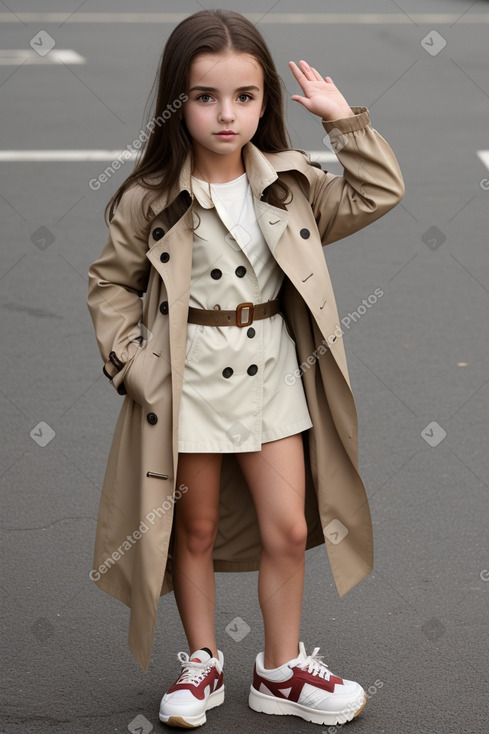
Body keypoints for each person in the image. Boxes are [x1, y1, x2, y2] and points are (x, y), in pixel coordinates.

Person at [87, 8, 404, 730]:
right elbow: (109, 284)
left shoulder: (293, 184)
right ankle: (201, 659)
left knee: (287, 529)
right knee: (191, 531)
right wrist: (132, 367)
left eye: (244, 96)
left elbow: (377, 193)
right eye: (204, 97)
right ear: (178, 100)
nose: (225, 115)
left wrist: (342, 122)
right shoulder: (149, 198)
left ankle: (280, 668)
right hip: (187, 385)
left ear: (265, 101)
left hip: (272, 379)